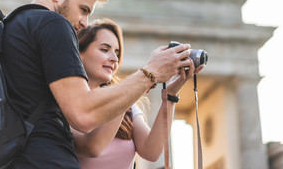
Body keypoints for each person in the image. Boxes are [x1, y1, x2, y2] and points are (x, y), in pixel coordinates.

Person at [1, 0, 193, 168]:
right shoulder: (54, 23)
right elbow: (83, 115)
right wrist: (150, 72)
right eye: (83, 9)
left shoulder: (11, 26)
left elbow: (149, 150)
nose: (84, 23)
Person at [72, 18, 204, 168]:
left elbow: (152, 152)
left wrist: (171, 94)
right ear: (79, 53)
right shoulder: (66, 101)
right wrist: (146, 77)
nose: (114, 59)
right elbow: (92, 147)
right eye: (104, 49)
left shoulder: (128, 106)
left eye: (117, 52)